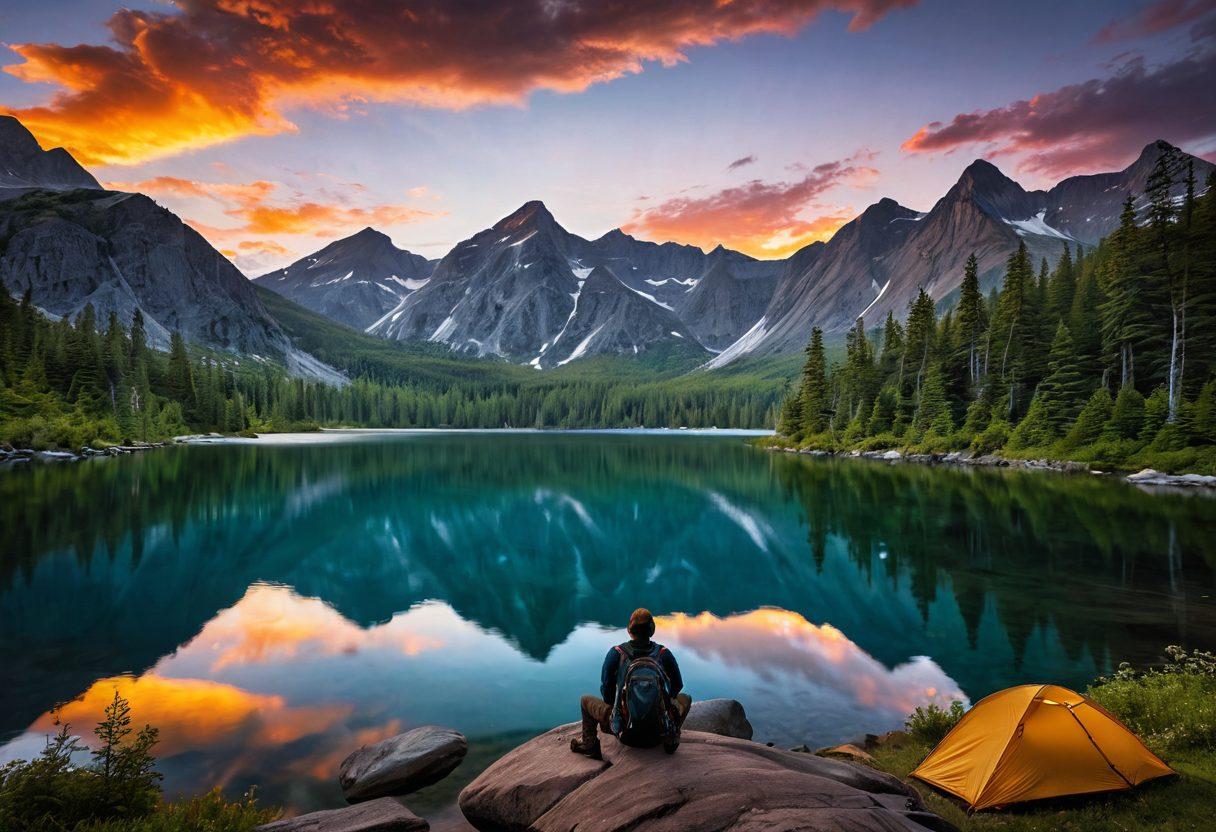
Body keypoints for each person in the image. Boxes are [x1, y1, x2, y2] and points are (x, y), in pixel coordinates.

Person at [570, 608, 691, 759]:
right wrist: (664, 702)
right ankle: (671, 737)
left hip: (625, 733)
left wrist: (620, 705)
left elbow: (607, 693)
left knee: (585, 700)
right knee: (686, 698)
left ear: (629, 630)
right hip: (658, 733)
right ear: (652, 630)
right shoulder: (663, 654)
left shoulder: (617, 653)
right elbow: (678, 686)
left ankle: (589, 744)